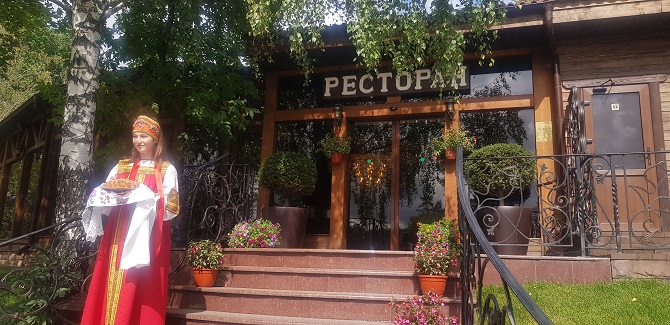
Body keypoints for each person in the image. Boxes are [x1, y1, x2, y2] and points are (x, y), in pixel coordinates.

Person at [80, 115, 180, 324]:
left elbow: (171, 206)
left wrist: (148, 199)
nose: (138, 140)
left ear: (155, 139)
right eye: (135, 136)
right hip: (118, 231)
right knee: (112, 277)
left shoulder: (166, 169)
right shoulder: (122, 167)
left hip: (148, 235)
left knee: (142, 282)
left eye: (143, 136)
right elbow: (108, 191)